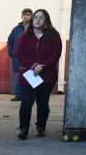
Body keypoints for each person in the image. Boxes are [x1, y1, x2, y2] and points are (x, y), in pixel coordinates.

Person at [15, 9, 62, 139]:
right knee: (26, 103)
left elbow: (56, 53)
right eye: (35, 17)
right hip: (27, 75)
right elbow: (19, 54)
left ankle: (41, 127)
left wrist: (43, 66)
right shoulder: (24, 36)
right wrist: (33, 65)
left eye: (41, 17)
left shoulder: (54, 35)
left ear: (46, 20)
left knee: (42, 103)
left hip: (47, 75)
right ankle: (24, 128)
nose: (37, 19)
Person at [7, 9, 32, 101]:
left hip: (30, 56)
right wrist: (11, 52)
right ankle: (18, 94)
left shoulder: (33, 28)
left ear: (31, 16)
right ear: (21, 16)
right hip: (17, 56)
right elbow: (10, 41)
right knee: (18, 75)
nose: (25, 16)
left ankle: (29, 95)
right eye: (24, 14)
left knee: (30, 74)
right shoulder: (16, 29)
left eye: (28, 14)